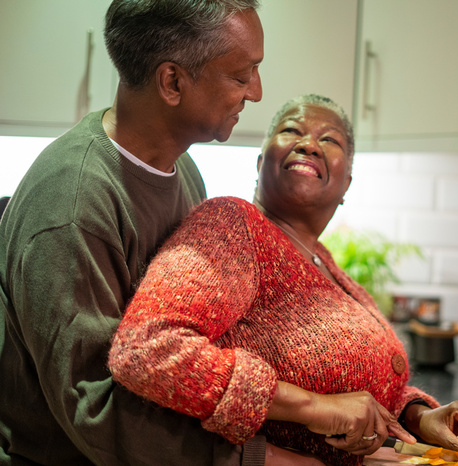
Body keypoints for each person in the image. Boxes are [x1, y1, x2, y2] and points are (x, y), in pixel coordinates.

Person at [108, 94, 458, 466]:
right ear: (261, 161)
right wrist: (312, 406)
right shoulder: (233, 225)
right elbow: (147, 349)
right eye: (291, 131)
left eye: (329, 140)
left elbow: (368, 393)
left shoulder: (326, 265)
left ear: (346, 185)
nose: (309, 144)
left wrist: (418, 416)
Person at [0, 1, 268, 464]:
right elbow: (95, 408)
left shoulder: (184, 170)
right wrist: (259, 458)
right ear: (172, 82)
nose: (257, 92)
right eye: (242, 76)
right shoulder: (74, 203)